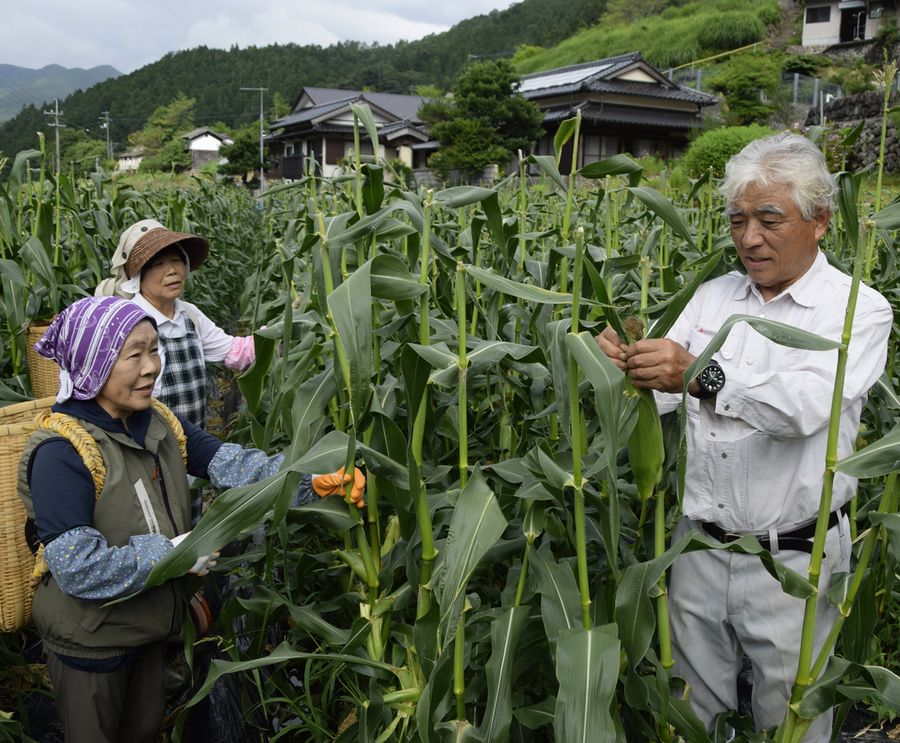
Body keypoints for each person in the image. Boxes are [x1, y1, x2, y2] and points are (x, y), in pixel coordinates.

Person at [595, 133, 892, 740]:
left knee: (791, 723)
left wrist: (699, 372)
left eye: (769, 219)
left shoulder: (857, 309)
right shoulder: (713, 295)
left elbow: (807, 406)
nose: (749, 237)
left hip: (795, 565)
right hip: (697, 551)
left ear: (820, 222)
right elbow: (665, 393)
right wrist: (624, 366)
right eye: (737, 220)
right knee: (692, 715)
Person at [18, 296, 365, 743]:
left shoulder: (158, 423)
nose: (151, 367)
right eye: (133, 355)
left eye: (154, 349)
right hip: (92, 641)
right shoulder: (62, 452)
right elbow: (77, 566)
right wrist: (177, 554)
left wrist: (311, 480)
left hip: (147, 626)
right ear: (93, 363)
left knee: (142, 730)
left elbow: (234, 465)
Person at [96, 218, 256, 428]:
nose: (171, 271)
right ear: (137, 276)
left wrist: (282, 333)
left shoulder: (189, 315)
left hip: (192, 441)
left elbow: (235, 352)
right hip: (147, 445)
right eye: (158, 264)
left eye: (176, 261)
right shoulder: (128, 322)